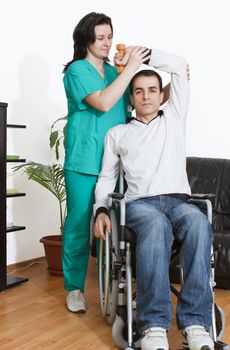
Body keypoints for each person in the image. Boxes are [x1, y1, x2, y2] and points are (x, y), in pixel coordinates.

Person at [94, 49, 214, 350]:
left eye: (152, 90)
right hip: (140, 205)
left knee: (198, 222)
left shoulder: (174, 118)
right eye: (138, 91)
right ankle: (154, 326)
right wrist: (100, 210)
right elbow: (107, 179)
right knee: (155, 224)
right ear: (131, 98)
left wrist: (140, 52)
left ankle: (197, 322)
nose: (146, 96)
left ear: (162, 96)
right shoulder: (117, 133)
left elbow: (179, 65)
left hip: (178, 202)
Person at [62, 11, 151, 313]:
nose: (106, 42)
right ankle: (74, 288)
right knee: (77, 225)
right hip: (84, 161)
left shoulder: (115, 72)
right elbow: (103, 102)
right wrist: (129, 70)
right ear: (86, 39)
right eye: (100, 37)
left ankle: (106, 285)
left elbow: (138, 101)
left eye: (109, 36)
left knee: (109, 227)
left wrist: (172, 86)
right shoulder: (77, 71)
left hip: (115, 163)